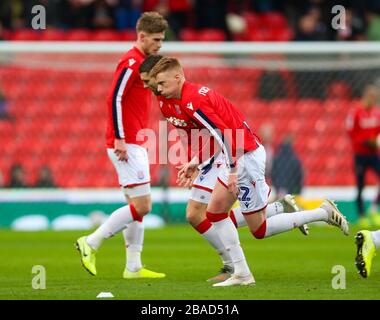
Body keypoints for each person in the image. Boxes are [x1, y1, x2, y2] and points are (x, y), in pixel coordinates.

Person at [150, 57, 349, 287]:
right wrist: (197, 161)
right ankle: (242, 272)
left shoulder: (191, 101)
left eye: (162, 83)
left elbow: (225, 135)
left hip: (245, 157)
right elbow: (216, 135)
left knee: (259, 229)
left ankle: (322, 213)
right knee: (215, 213)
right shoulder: (192, 95)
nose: (160, 89)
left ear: (178, 77)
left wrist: (233, 170)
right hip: (238, 156)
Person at [76, 12, 168, 279]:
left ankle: (133, 267)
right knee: (143, 206)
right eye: (156, 39)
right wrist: (119, 136)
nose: (160, 45)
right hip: (125, 141)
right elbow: (114, 98)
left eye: (161, 40)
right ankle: (90, 242)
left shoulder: (142, 62)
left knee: (134, 206)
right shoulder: (131, 61)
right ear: (142, 36)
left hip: (133, 138)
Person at [346, 84, 380, 228]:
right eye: (371, 97)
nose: (373, 100)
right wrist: (365, 142)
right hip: (360, 154)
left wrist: (375, 142)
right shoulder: (356, 112)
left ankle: (373, 209)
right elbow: (351, 133)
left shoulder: (377, 113)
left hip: (373, 154)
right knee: (360, 186)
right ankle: (361, 216)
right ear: (365, 96)